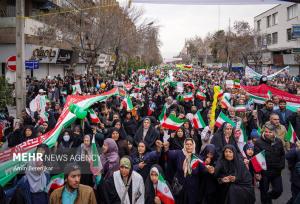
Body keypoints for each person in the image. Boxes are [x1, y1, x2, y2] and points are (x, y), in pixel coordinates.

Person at [163, 138, 214, 204]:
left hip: (192, 189)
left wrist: (209, 169)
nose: (189, 146)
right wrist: (166, 148)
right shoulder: (179, 153)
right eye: (187, 144)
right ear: (184, 145)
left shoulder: (197, 158)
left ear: (193, 146)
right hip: (180, 187)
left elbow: (203, 168)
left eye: (190, 144)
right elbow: (168, 154)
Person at [254, 123, 285, 204]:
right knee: (264, 192)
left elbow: (282, 155)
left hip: (276, 171)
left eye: (270, 132)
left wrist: (281, 166)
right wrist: (257, 173)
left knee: (278, 190)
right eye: (266, 131)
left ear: (274, 133)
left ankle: (268, 197)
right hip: (264, 172)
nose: (267, 133)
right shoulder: (258, 142)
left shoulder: (278, 141)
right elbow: (256, 159)